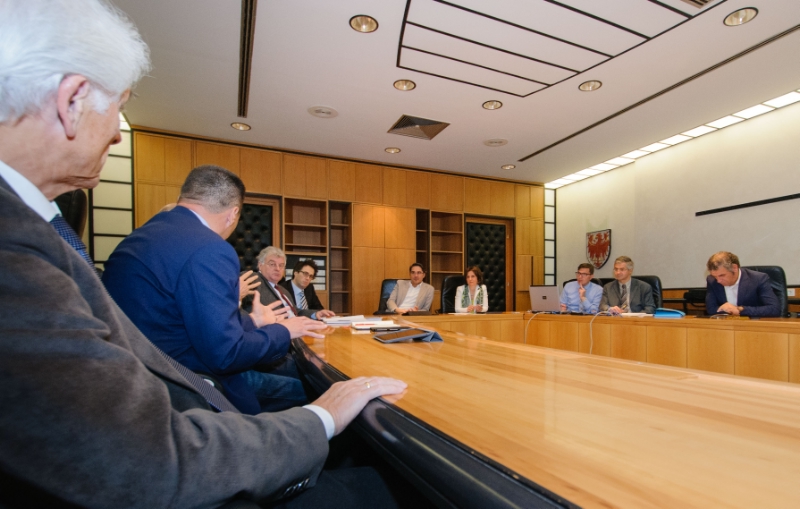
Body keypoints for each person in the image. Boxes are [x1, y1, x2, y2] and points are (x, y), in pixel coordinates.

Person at [0, 1, 407, 506]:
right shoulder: (21, 245)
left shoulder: (136, 237)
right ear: (73, 99)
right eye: (118, 107)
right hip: (184, 444)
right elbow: (161, 433)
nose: (117, 132)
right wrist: (321, 413)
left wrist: (256, 324)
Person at [103, 165, 320, 414]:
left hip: (135, 378)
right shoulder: (211, 249)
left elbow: (187, 317)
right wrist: (284, 330)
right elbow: (227, 354)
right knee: (316, 388)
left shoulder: (139, 237)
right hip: (189, 386)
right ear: (233, 213)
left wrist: (253, 321)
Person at [244, 246, 335, 319]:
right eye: (272, 264)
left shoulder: (283, 291)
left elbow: (296, 312)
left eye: (281, 265)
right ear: (260, 265)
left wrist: (315, 314)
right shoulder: (252, 279)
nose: (277, 269)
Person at [705, 251, 781, 317]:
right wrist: (729, 310)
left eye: (722, 275)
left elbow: (774, 309)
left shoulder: (758, 279)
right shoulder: (711, 281)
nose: (718, 281)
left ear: (734, 268)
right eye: (715, 276)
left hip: (753, 325)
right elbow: (711, 309)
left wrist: (740, 310)